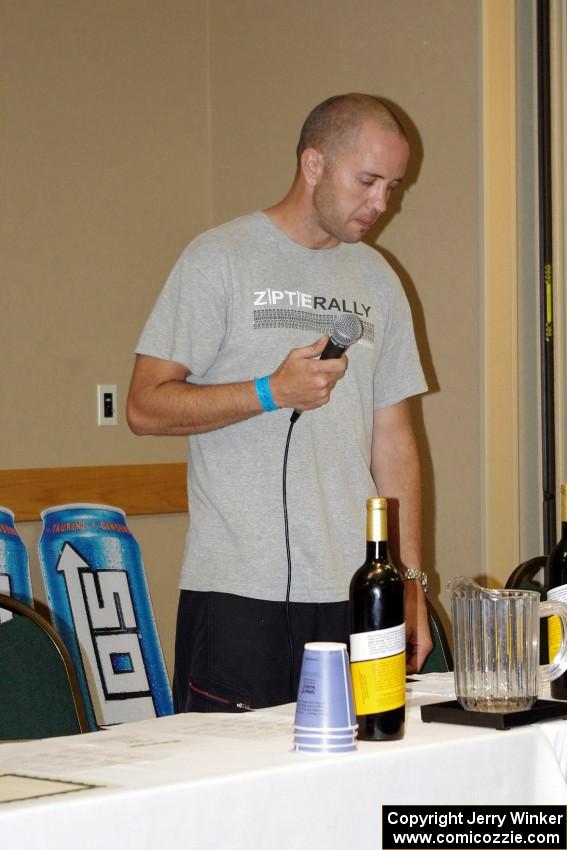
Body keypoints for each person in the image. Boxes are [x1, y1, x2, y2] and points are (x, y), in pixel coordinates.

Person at [127, 92, 432, 713]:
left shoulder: (378, 279)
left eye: (393, 187)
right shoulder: (219, 259)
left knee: (353, 784)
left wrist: (411, 582)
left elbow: (395, 441)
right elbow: (144, 406)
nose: (381, 203)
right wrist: (270, 391)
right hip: (237, 592)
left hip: (354, 590)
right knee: (232, 797)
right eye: (367, 180)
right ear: (313, 164)